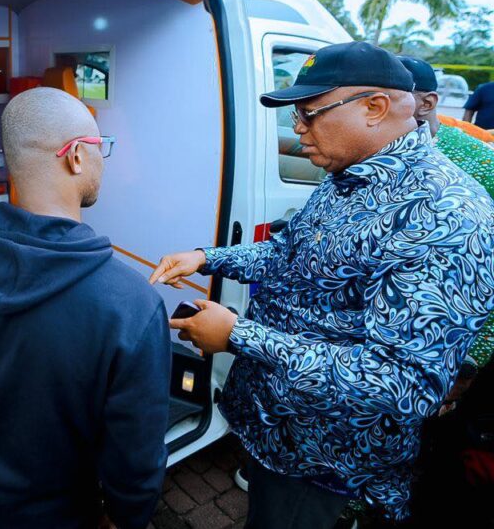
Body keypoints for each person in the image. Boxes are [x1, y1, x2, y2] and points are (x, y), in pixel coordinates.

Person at [150, 42, 494, 527]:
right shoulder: (347, 174)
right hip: (278, 429)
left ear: (374, 107)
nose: (296, 130)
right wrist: (208, 259)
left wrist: (237, 336)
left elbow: (402, 383)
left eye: (309, 114)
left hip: (324, 455)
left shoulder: (448, 215)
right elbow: (292, 257)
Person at [0, 87, 171, 529]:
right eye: (99, 148)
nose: (101, 158)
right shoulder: (132, 304)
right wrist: (126, 518)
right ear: (74, 156)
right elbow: (135, 458)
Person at [402, 55, 494, 403]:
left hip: (445, 348)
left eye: (390, 95)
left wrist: (471, 360)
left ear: (427, 103)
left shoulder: (479, 163)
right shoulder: (362, 154)